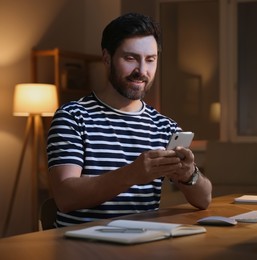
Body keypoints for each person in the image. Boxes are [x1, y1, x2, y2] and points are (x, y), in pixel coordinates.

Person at [46, 12, 212, 227]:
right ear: (107, 58)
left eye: (150, 60)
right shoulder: (72, 117)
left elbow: (204, 199)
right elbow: (66, 197)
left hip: (144, 244)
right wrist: (132, 174)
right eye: (130, 58)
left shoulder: (165, 126)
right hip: (84, 247)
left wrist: (189, 174)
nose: (142, 71)